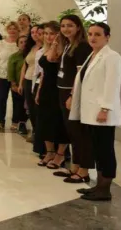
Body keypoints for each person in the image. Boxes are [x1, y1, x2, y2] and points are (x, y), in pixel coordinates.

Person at [71, 22, 121, 201]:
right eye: (90, 34)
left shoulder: (112, 57)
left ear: (107, 37)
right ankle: (99, 186)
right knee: (98, 149)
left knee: (105, 151)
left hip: (102, 113)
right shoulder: (92, 55)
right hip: (91, 112)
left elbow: (112, 85)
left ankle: (104, 189)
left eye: (98, 34)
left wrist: (105, 108)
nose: (92, 37)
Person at [55, 15, 94, 184]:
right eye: (63, 26)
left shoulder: (82, 47)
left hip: (74, 93)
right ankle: (75, 166)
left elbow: (80, 74)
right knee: (72, 132)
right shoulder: (68, 45)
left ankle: (84, 170)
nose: (66, 29)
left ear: (78, 27)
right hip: (63, 91)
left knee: (79, 133)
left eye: (70, 25)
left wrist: (72, 95)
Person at [36, 21, 69, 169]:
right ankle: (49, 152)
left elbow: (51, 60)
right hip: (46, 89)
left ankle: (60, 154)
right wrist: (38, 91)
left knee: (59, 122)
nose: (48, 37)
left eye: (52, 34)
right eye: (46, 33)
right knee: (44, 121)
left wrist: (55, 44)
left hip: (59, 89)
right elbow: (43, 73)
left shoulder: (62, 50)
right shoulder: (45, 49)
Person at [20, 25, 44, 150]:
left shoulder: (45, 48)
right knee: (30, 108)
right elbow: (25, 65)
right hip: (28, 79)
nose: (35, 34)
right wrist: (21, 82)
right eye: (33, 32)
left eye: (37, 32)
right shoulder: (31, 47)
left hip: (38, 81)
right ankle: (35, 131)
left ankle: (39, 134)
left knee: (37, 108)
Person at [0, 21, 20, 129]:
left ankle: (15, 122)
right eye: (10, 28)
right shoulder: (1, 43)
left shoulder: (20, 43)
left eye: (14, 28)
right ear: (7, 30)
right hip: (2, 75)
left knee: (16, 99)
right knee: (2, 98)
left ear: (18, 30)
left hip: (16, 77)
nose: (12, 30)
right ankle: (1, 121)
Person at [8, 35, 28, 133]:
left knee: (26, 105)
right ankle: (16, 122)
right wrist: (13, 84)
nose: (24, 44)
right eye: (21, 42)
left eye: (25, 42)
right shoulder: (14, 57)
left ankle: (23, 122)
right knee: (17, 104)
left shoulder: (31, 55)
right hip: (16, 84)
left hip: (28, 84)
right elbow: (11, 71)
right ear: (17, 44)